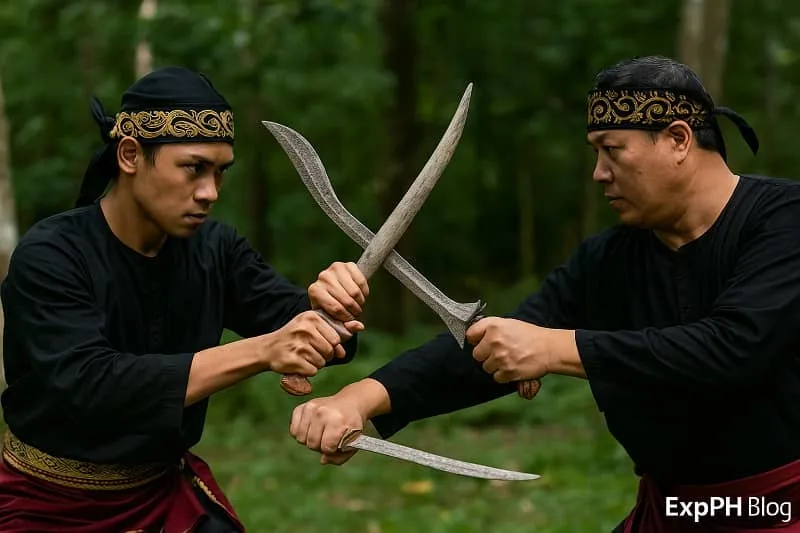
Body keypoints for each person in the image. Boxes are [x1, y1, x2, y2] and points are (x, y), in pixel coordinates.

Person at [288, 55, 800, 532]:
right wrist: (358, 400)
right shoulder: (607, 259)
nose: (599, 173)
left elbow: (735, 348)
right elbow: (493, 350)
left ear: (679, 139)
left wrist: (557, 349)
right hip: (669, 513)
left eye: (611, 150)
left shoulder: (783, 221)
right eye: (595, 153)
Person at [0, 66, 369, 532]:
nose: (210, 192)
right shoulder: (51, 254)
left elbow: (320, 334)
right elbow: (92, 386)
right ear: (131, 155)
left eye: (220, 172)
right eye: (193, 168)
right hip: (45, 505)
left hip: (162, 497)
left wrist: (333, 306)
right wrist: (264, 350)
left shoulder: (216, 249)